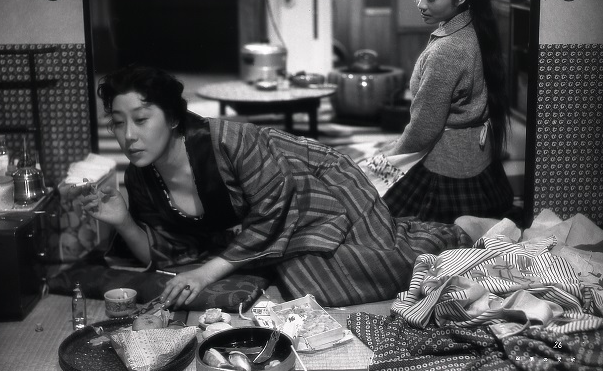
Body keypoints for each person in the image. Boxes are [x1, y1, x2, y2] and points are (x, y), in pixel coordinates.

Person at [76, 64, 478, 309]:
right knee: (305, 282)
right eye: (117, 123)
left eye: (141, 119)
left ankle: (458, 230)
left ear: (173, 118)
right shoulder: (140, 177)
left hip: (320, 186)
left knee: (370, 269)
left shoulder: (231, 141)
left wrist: (207, 274)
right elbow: (170, 254)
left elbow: (274, 211)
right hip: (268, 227)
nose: (128, 135)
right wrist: (123, 221)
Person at [380, 0, 515, 224]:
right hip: (477, 162)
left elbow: (424, 128)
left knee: (377, 203)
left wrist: (387, 158)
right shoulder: (473, 27)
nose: (420, 3)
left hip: (447, 170)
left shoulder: (447, 50)